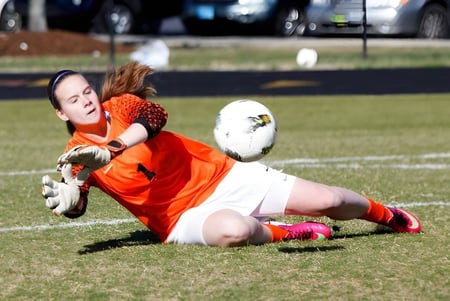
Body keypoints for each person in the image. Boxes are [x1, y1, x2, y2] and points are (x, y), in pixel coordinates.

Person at [41, 61, 422, 247]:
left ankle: (384, 213)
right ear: (62, 113)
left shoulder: (121, 107)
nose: (86, 101)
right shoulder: (74, 155)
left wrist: (114, 148)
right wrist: (72, 195)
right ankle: (286, 233)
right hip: (179, 220)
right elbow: (77, 206)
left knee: (330, 199)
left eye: (87, 91)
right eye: (74, 100)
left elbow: (153, 116)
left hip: (221, 176)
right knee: (235, 231)